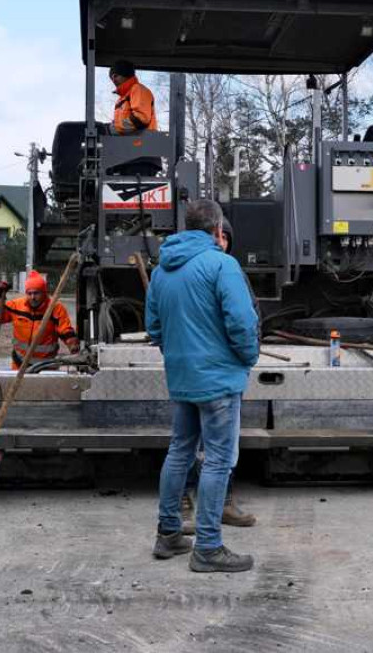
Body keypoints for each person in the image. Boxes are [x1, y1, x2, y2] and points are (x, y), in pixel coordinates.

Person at [146, 200, 259, 572]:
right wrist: (247, 357)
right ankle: (208, 547)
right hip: (218, 379)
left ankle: (169, 534)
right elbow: (242, 322)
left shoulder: (162, 269)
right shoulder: (222, 265)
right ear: (216, 230)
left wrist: (178, 355)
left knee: (179, 451)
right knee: (218, 460)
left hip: (182, 377)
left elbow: (154, 328)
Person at [181, 217, 257, 532]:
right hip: (208, 372)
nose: (221, 240)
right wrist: (248, 355)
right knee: (192, 446)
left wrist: (247, 355)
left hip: (216, 373)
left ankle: (223, 504)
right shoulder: (195, 272)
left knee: (222, 447)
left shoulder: (233, 272)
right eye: (216, 234)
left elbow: (249, 316)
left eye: (226, 236)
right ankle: (191, 513)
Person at [0, 271, 78, 369]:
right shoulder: (16, 306)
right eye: (29, 293)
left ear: (44, 292)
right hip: (19, 366)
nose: (32, 297)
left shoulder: (56, 309)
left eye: (36, 293)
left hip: (46, 368)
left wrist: (74, 348)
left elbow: (66, 332)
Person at [109, 60, 157, 134]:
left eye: (116, 76)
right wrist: (108, 127)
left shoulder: (138, 89)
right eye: (111, 78)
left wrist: (114, 128)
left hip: (144, 142)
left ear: (125, 74)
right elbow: (120, 123)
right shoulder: (121, 99)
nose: (113, 80)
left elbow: (140, 119)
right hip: (129, 142)